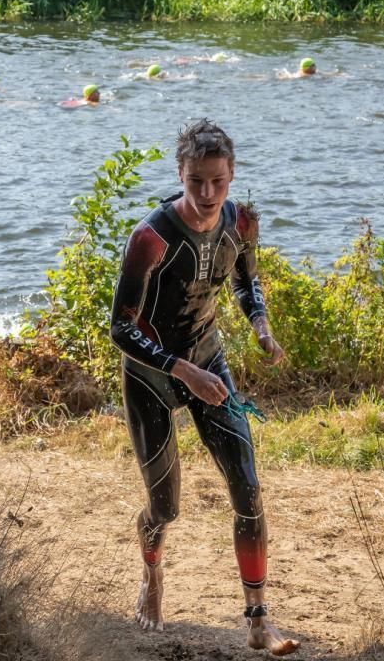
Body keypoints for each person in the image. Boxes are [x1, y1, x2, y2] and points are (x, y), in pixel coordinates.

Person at [110, 119, 299, 656]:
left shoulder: (242, 222)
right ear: (180, 174)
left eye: (218, 181)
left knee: (248, 490)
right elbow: (120, 327)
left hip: (209, 363)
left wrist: (261, 326)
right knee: (165, 507)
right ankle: (152, 575)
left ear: (232, 174)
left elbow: (246, 279)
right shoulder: (151, 237)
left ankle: (258, 619)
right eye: (196, 181)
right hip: (151, 375)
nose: (208, 193)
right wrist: (180, 369)